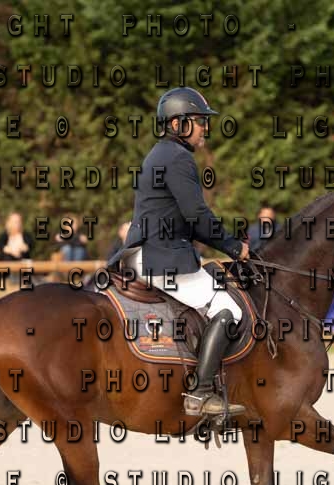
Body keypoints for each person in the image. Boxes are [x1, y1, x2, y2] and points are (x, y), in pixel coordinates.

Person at [106, 86, 250, 418]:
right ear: (177, 124)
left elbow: (186, 219)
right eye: (200, 121)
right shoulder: (178, 158)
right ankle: (201, 394)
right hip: (161, 258)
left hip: (147, 252)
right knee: (228, 309)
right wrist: (234, 247)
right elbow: (197, 215)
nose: (205, 128)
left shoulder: (161, 154)